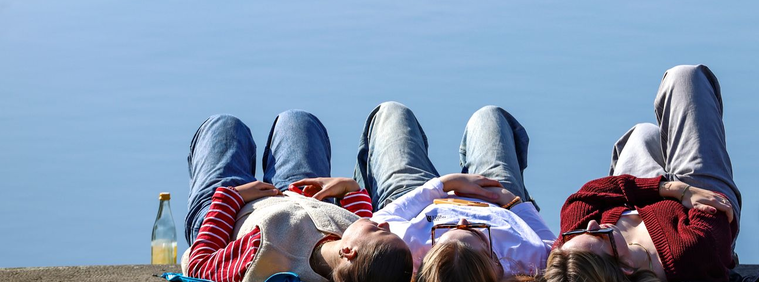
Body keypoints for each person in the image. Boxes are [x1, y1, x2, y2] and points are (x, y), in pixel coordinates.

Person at [544, 65, 741, 282]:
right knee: (685, 78)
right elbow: (712, 213)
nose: (591, 225)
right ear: (626, 267)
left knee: (643, 134)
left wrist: (670, 188)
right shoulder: (688, 256)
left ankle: (667, 166)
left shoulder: (572, 260)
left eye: (575, 234)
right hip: (704, 198)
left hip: (662, 195)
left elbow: (584, 196)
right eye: (600, 236)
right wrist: (685, 189)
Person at [182, 112, 413, 282]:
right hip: (298, 196)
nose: (384, 224)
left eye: (379, 231)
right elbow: (358, 221)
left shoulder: (265, 252)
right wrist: (350, 190)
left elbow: (200, 266)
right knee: (299, 121)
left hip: (230, 215)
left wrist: (230, 198)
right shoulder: (350, 260)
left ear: (348, 251)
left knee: (224, 127)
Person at [354, 102, 556, 282]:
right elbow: (553, 246)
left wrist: (443, 184)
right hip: (498, 199)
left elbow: (378, 219)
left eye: (445, 232)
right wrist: (514, 203)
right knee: (490, 116)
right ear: (495, 263)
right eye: (477, 232)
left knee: (391, 113)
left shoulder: (408, 250)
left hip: (419, 199)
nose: (462, 222)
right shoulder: (529, 259)